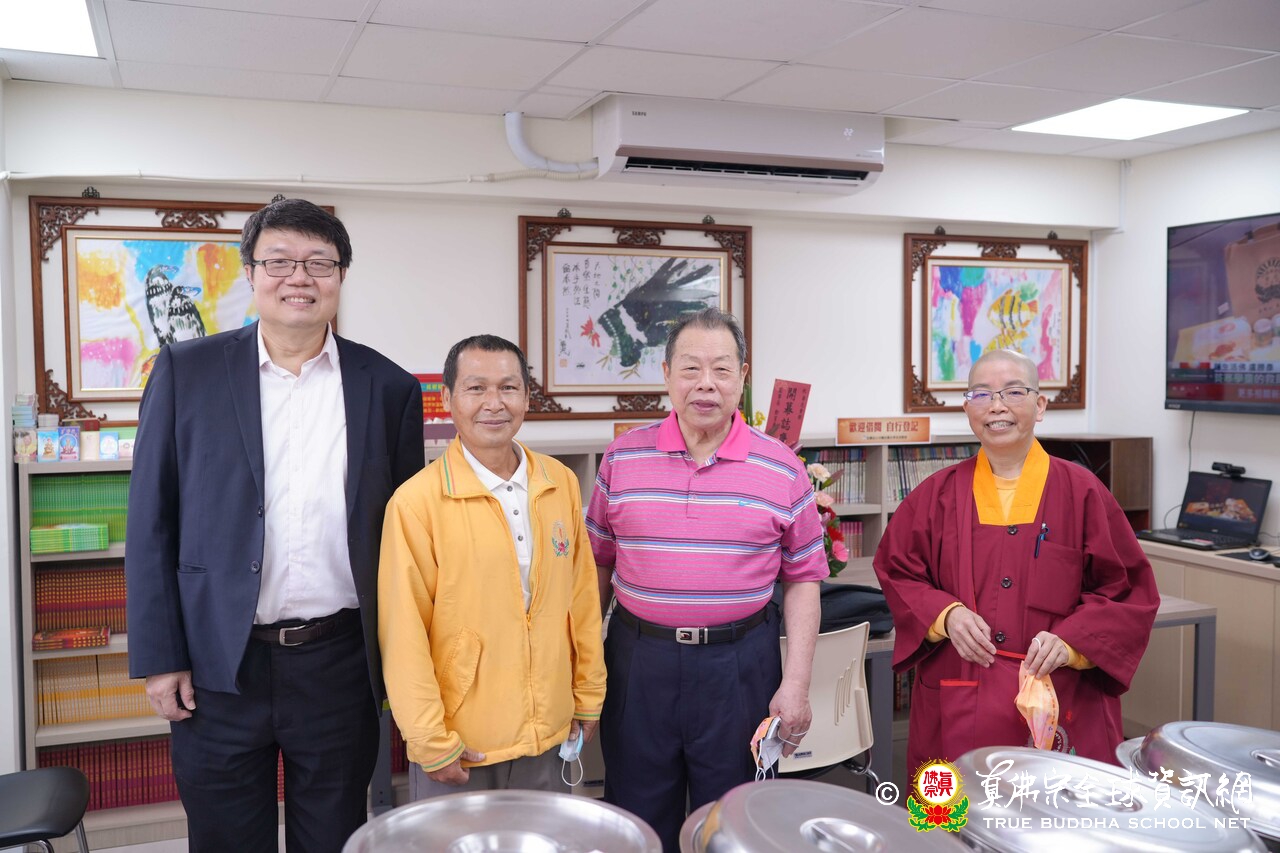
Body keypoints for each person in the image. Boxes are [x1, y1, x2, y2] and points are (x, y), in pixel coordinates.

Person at [125, 198, 425, 852]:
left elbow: (406, 541)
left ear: (340, 275)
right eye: (280, 261)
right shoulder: (186, 372)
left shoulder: (389, 387)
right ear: (251, 273)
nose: (300, 278)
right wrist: (161, 656)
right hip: (217, 664)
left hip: (339, 663)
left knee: (334, 837)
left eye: (319, 263)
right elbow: (151, 521)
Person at [586, 308, 827, 852]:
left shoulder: (781, 467)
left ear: (743, 377)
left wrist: (795, 685)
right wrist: (579, 673)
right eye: (690, 368)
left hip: (740, 667)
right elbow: (596, 566)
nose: (705, 383)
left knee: (736, 821)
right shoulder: (623, 457)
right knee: (638, 818)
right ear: (666, 374)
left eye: (721, 369)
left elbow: (805, 580)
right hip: (639, 663)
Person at [873, 348, 1159, 771]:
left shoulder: (1082, 492)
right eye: (981, 394)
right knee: (955, 809)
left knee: (1058, 810)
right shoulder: (936, 495)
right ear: (967, 408)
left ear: (1040, 405)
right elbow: (897, 570)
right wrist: (947, 615)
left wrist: (1072, 642)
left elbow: (1127, 591)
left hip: (1062, 695)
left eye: (1012, 391)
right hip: (960, 690)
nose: (997, 406)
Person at [379, 334, 605, 798]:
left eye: (508, 388)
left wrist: (587, 697)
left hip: (550, 733)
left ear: (526, 397)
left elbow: (581, 601)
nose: (494, 403)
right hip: (463, 744)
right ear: (447, 399)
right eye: (476, 388)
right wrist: (429, 739)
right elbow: (403, 632)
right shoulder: (417, 502)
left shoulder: (559, 483)